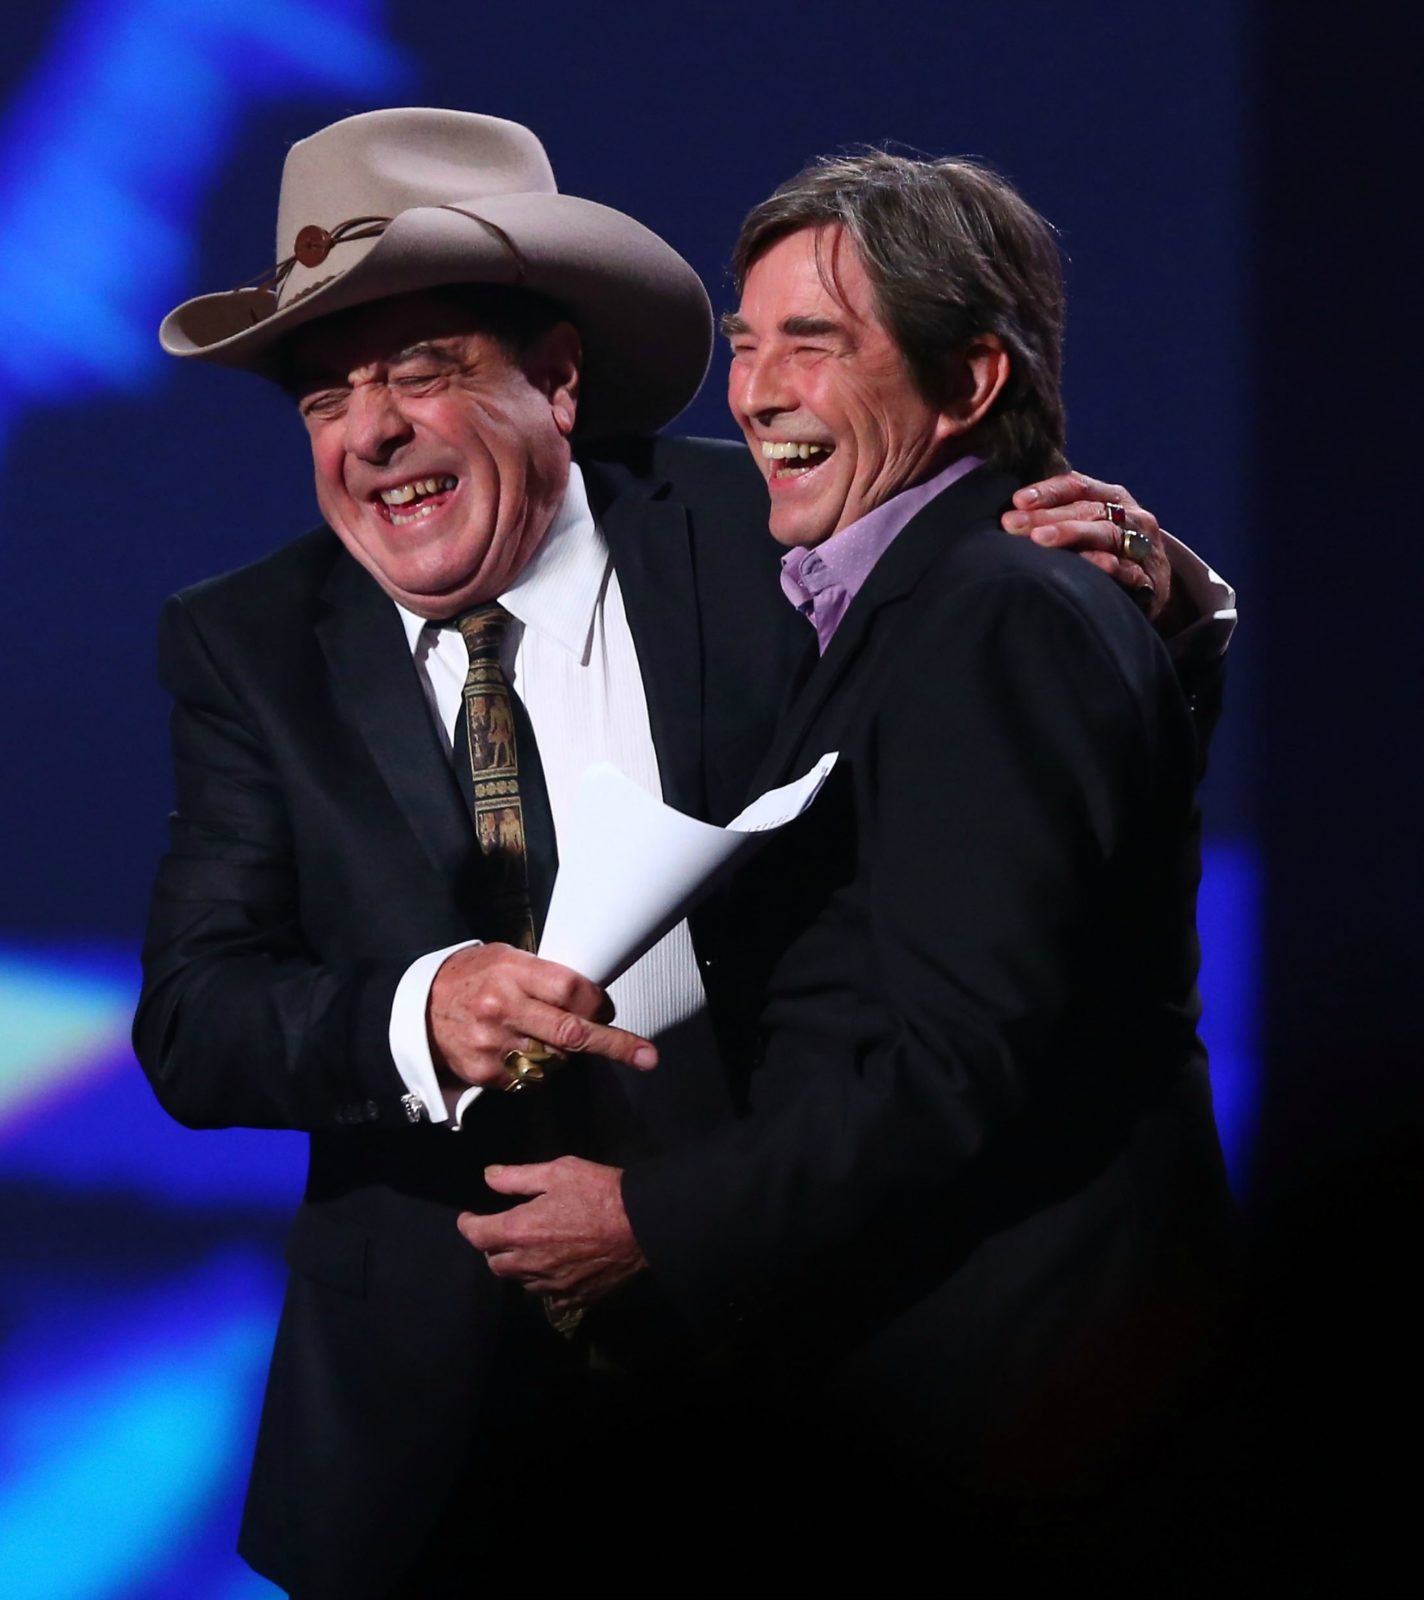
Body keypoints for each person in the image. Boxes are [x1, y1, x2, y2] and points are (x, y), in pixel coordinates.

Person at [135, 110, 1231, 1598]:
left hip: (802, 1353)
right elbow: (195, 1022)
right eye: (325, 396)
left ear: (560, 379)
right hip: (435, 1421)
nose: (370, 430)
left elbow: (1018, 825)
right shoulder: (247, 641)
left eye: (423, 371)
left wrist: (1176, 622)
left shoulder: (792, 532)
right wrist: (423, 1008)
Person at [458, 151, 1238, 1588]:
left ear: (973, 380)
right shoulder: (914, 597)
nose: (754, 393)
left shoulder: (993, 611)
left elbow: (960, 1060)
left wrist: (652, 1220)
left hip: (1018, 1389)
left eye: (813, 344)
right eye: (748, 347)